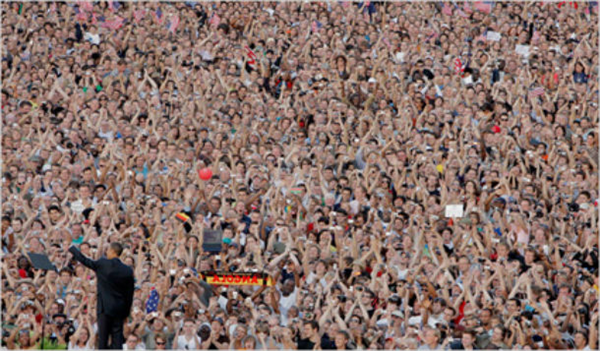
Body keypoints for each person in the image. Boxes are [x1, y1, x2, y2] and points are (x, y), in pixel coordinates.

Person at [69, 242, 134, 349]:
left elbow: (86, 261)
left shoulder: (103, 264)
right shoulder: (127, 270)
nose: (107, 252)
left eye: (108, 250)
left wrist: (73, 249)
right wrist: (126, 313)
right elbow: (129, 294)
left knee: (103, 339)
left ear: (113, 251)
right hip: (119, 309)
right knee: (117, 338)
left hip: (105, 308)